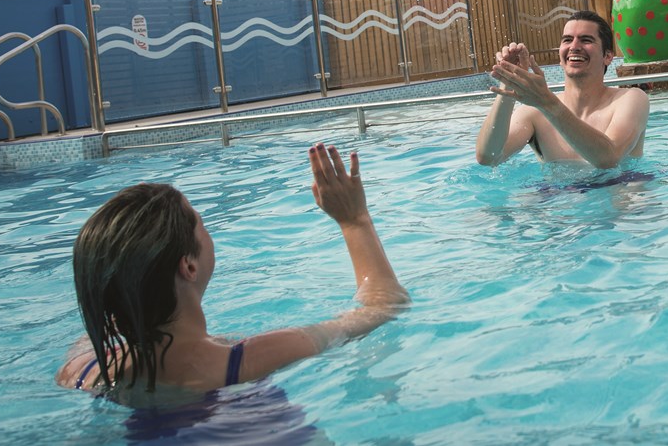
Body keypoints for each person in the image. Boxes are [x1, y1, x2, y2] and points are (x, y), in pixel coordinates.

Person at [56, 144, 408, 398]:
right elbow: (385, 307)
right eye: (200, 222)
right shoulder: (254, 357)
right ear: (189, 266)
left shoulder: (84, 369)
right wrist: (354, 221)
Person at [475, 10, 649, 169]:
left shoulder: (630, 99)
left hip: (618, 195)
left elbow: (609, 159)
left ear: (608, 56)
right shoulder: (534, 113)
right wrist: (509, 82)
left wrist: (548, 103)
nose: (574, 46)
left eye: (586, 40)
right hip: (559, 199)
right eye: (567, 40)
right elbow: (488, 158)